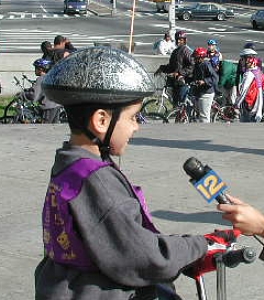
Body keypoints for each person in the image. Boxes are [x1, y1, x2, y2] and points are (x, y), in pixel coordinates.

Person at [34, 46, 239, 300]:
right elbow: (145, 256)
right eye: (132, 117)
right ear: (101, 121)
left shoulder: (70, 166)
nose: (137, 127)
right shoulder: (97, 180)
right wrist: (201, 244)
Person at [155, 30, 194, 106]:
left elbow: (192, 65)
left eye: (181, 40)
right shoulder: (175, 51)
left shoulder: (186, 51)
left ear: (185, 40)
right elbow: (171, 66)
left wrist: (180, 73)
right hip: (175, 82)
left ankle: (188, 117)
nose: (179, 41)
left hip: (184, 82)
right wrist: (161, 68)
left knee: (183, 104)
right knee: (176, 104)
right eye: (178, 40)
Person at [234, 49, 263, 122]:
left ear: (247, 60)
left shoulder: (249, 74)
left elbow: (243, 92)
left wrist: (236, 105)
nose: (241, 61)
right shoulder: (258, 71)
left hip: (249, 105)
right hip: (258, 105)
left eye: (242, 59)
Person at [191, 47, 218, 123]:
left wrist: (204, 81)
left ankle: (206, 132)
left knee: (204, 117)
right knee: (199, 114)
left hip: (206, 93)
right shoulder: (196, 65)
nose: (193, 59)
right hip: (199, 92)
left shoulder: (206, 65)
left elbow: (215, 78)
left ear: (200, 58)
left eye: (195, 57)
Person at [32, 58, 61, 123]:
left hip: (48, 107)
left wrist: (24, 96)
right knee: (54, 127)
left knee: (45, 128)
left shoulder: (40, 79)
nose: (34, 70)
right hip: (57, 105)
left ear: (41, 69)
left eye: (36, 68)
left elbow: (34, 96)